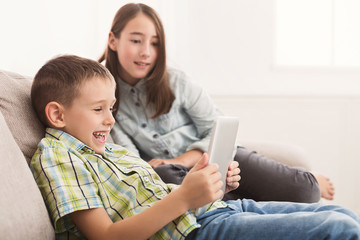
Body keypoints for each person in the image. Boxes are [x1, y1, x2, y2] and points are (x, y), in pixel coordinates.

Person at [30, 55, 360, 239]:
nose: (110, 121)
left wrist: (209, 187)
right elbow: (105, 236)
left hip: (215, 211)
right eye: (98, 109)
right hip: (196, 231)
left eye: (111, 108)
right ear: (57, 114)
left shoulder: (109, 151)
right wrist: (185, 197)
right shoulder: (57, 154)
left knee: (344, 215)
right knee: (340, 229)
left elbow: (159, 196)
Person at [98, 3, 335, 202]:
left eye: (155, 43)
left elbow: (217, 128)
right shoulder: (103, 94)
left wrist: (181, 159)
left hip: (219, 157)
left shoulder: (176, 81)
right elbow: (126, 156)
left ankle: (305, 177)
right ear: (113, 40)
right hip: (176, 176)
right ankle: (236, 201)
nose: (146, 52)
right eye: (136, 41)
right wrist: (160, 166)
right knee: (164, 177)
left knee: (306, 192)